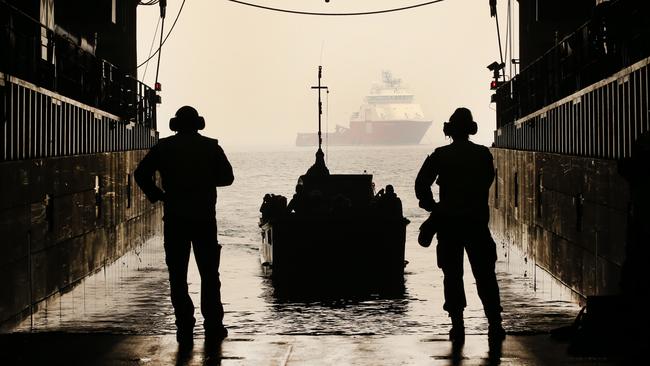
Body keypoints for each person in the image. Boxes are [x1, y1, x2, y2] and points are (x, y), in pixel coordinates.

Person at [134, 105, 234, 345]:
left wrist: (158, 194)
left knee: (177, 276)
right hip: (204, 219)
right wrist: (205, 181)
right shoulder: (211, 147)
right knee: (209, 274)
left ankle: (184, 327)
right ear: (199, 124)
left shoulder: (164, 148)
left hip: (176, 219)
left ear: (175, 125)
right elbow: (227, 178)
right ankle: (213, 326)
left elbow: (140, 174)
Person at [415, 107, 505, 343]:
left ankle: (458, 325)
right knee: (485, 275)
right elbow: (487, 181)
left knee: (452, 276)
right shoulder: (483, 154)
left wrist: (433, 207)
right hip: (476, 223)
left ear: (451, 130)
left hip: (449, 226)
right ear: (471, 130)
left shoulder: (440, 155)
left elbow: (421, 184)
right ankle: (495, 324)